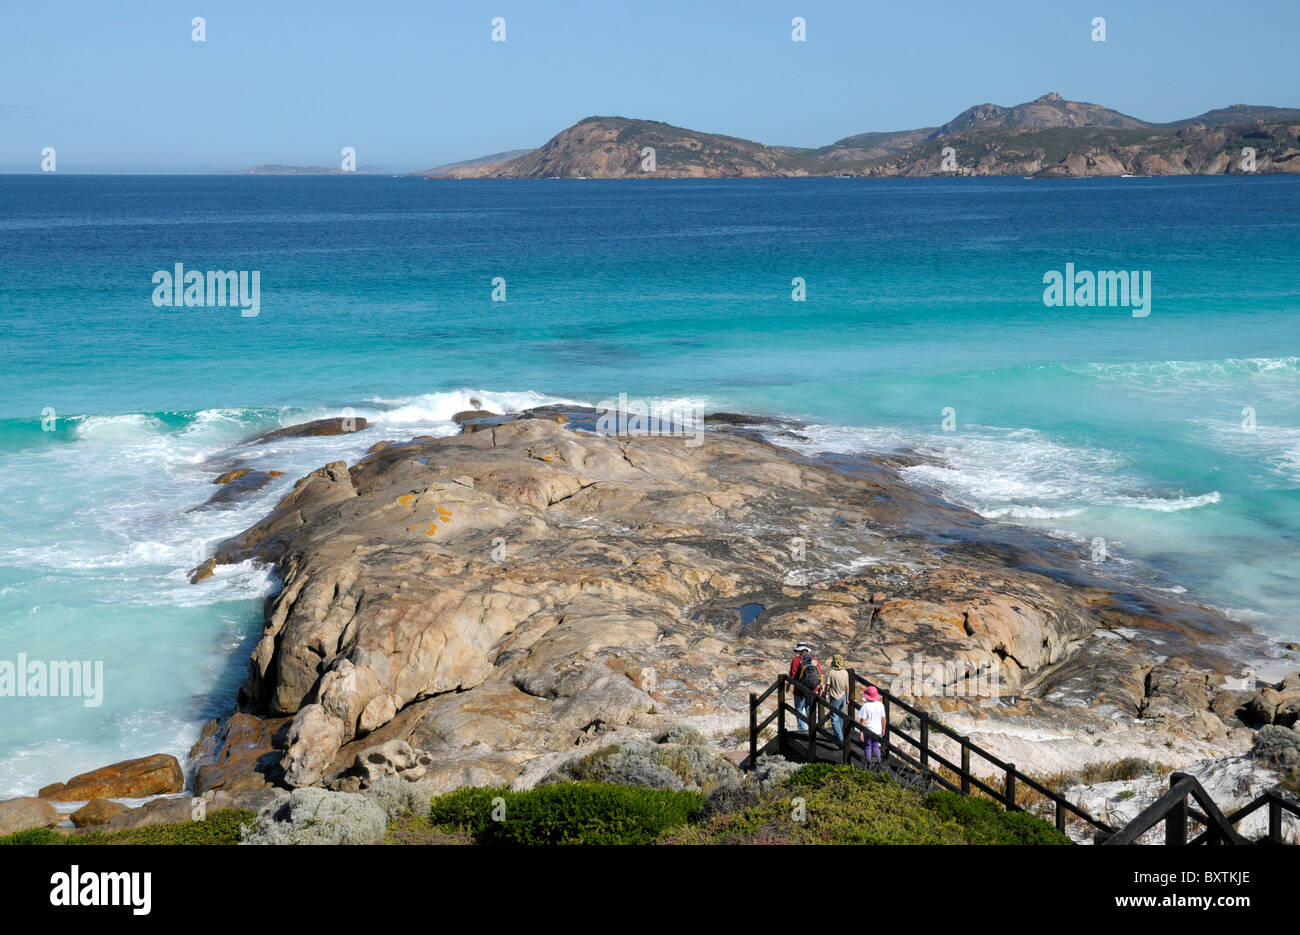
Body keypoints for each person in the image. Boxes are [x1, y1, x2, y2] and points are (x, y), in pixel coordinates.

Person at [788, 642, 822, 732]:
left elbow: (793, 674)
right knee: (809, 708)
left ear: (799, 651)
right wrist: (819, 687)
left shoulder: (796, 660)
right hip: (812, 689)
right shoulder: (814, 660)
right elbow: (819, 674)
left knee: (799, 709)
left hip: (800, 689)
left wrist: (788, 686)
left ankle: (802, 729)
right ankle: (812, 728)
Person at [825, 654, 851, 741]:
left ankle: (840, 737)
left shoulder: (831, 673)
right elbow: (847, 686)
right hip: (843, 696)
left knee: (834, 716)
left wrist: (825, 694)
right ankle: (838, 733)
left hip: (834, 697)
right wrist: (847, 698)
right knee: (841, 716)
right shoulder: (845, 672)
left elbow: (828, 686)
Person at [858, 685, 887, 762]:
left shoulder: (865, 706)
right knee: (876, 746)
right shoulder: (881, 705)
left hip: (868, 730)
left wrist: (861, 733)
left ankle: (868, 763)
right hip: (877, 730)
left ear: (867, 696)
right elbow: (883, 718)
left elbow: (863, 721)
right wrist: (883, 728)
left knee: (868, 746)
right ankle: (878, 762)